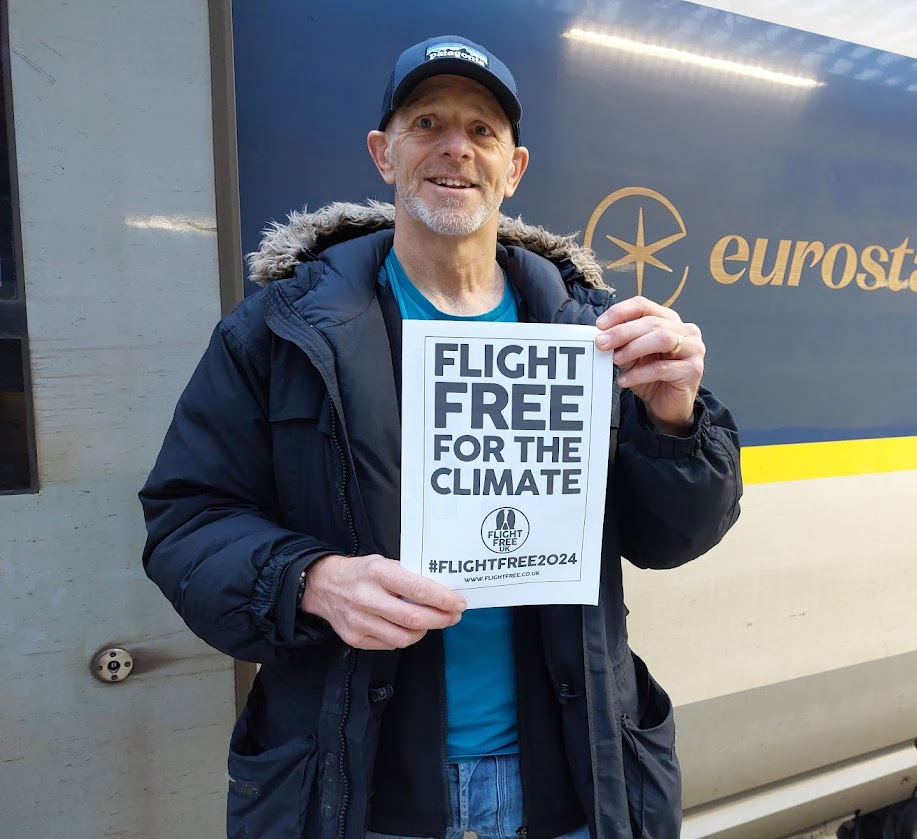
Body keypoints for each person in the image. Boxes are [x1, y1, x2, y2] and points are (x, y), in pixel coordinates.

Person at [140, 35, 742, 839]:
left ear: (513, 168)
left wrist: (674, 420)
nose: (455, 147)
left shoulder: (595, 336)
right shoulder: (279, 332)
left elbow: (674, 536)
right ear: (383, 153)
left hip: (570, 789)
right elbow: (186, 520)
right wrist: (311, 580)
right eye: (427, 123)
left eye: (481, 129)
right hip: (362, 795)